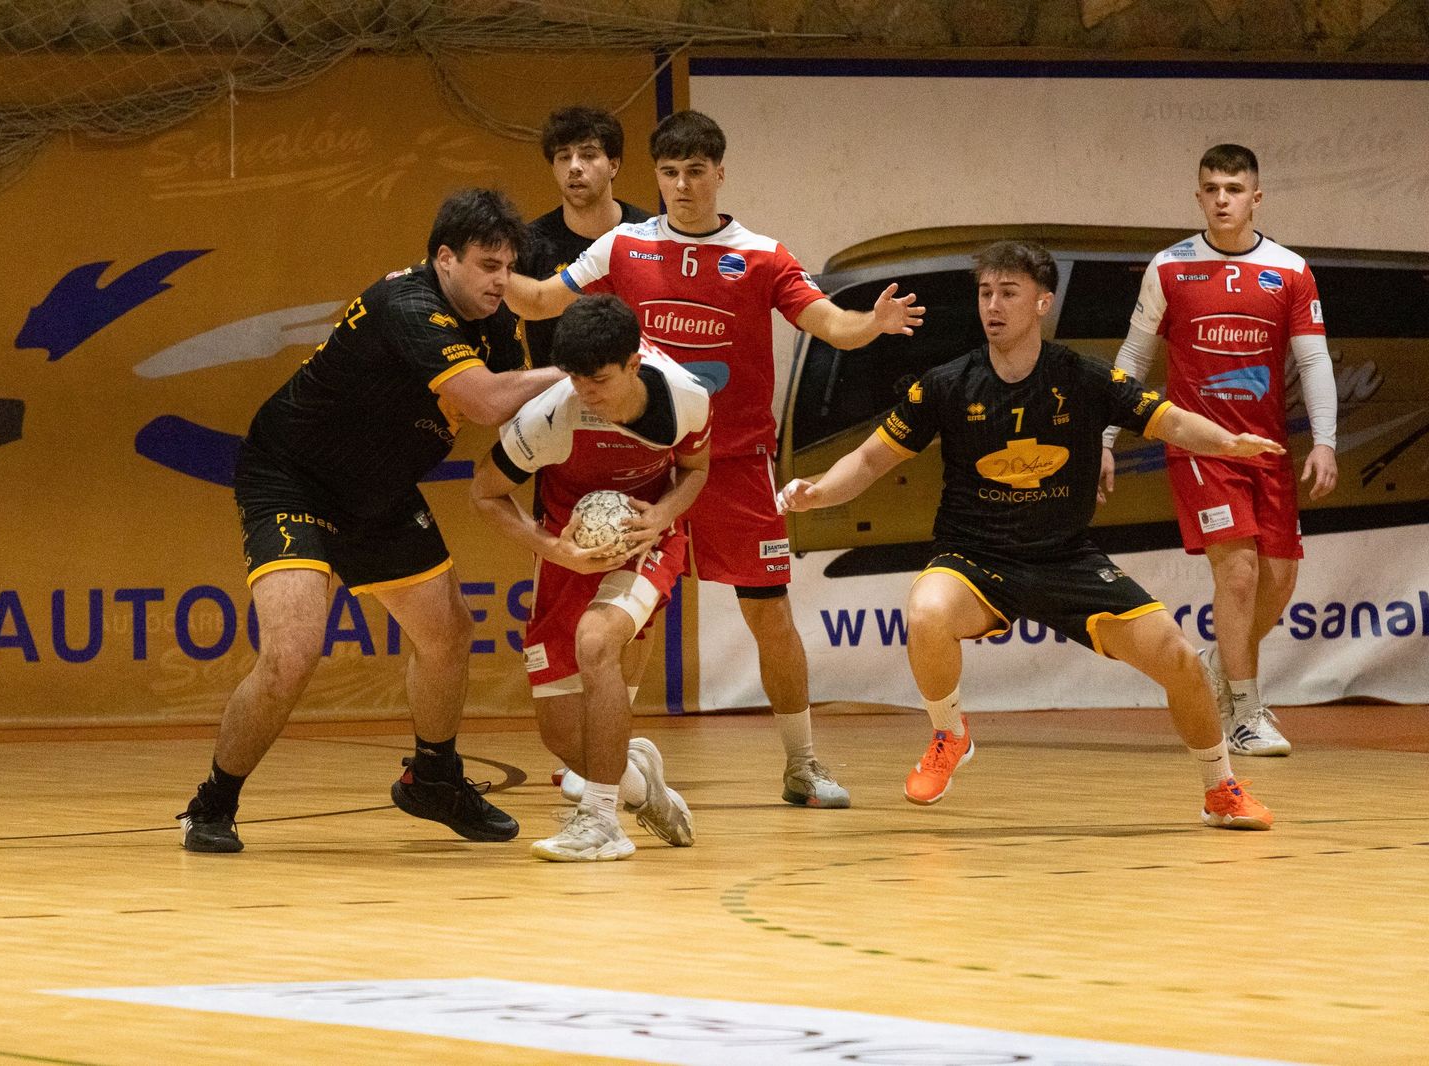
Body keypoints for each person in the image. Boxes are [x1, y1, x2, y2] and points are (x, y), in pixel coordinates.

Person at [505, 110, 924, 809]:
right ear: (656, 176)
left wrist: (870, 325)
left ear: (719, 173)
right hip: (642, 465)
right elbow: (546, 298)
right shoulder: (622, 246)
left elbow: (828, 323)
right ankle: (603, 762)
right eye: (669, 173)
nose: (681, 186)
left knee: (769, 617)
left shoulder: (761, 255)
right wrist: (475, 275)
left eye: (695, 172)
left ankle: (803, 764)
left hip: (731, 465)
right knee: (626, 620)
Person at [779, 240, 1276, 830]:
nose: (993, 305)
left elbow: (1165, 417)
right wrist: (817, 491)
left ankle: (1220, 788)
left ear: (1042, 302)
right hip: (974, 558)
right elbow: (866, 462)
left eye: (1008, 293)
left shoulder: (1081, 377)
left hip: (1065, 558)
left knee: (1181, 661)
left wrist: (1225, 443)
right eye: (985, 293)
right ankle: (950, 734)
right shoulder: (946, 384)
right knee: (927, 611)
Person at [175, 189, 565, 853]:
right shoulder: (408, 305)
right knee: (292, 654)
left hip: (380, 489)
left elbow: (513, 409)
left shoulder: (494, 320)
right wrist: (580, 372)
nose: (501, 280)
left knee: (447, 634)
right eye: (486, 265)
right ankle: (213, 802)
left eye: (508, 266)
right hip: (293, 478)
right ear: (445, 259)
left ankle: (434, 779)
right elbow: (487, 400)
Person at [1100, 144, 1337, 758]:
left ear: (1256, 197)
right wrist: (1105, 436)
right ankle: (1245, 711)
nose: (1223, 199)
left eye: (1234, 188)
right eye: (1212, 188)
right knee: (1236, 573)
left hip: (1268, 451)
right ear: (1199, 195)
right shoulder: (1170, 267)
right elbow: (1131, 358)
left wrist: (1327, 442)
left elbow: (1312, 360)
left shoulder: (1289, 269)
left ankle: (1215, 663)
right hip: (1199, 447)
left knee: (1277, 584)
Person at [470, 294, 711, 861]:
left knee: (595, 641)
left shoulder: (685, 399)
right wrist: (555, 548)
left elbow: (696, 470)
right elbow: (484, 492)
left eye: (598, 379)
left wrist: (665, 513)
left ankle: (602, 822)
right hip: (567, 549)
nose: (586, 393)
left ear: (634, 362)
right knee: (560, 736)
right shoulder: (551, 416)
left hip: (647, 539)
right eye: (576, 378)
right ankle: (637, 782)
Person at [521, 106, 652, 366]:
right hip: (557, 398)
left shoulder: (652, 235)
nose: (574, 167)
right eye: (563, 157)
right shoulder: (528, 243)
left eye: (588, 155)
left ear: (613, 165)